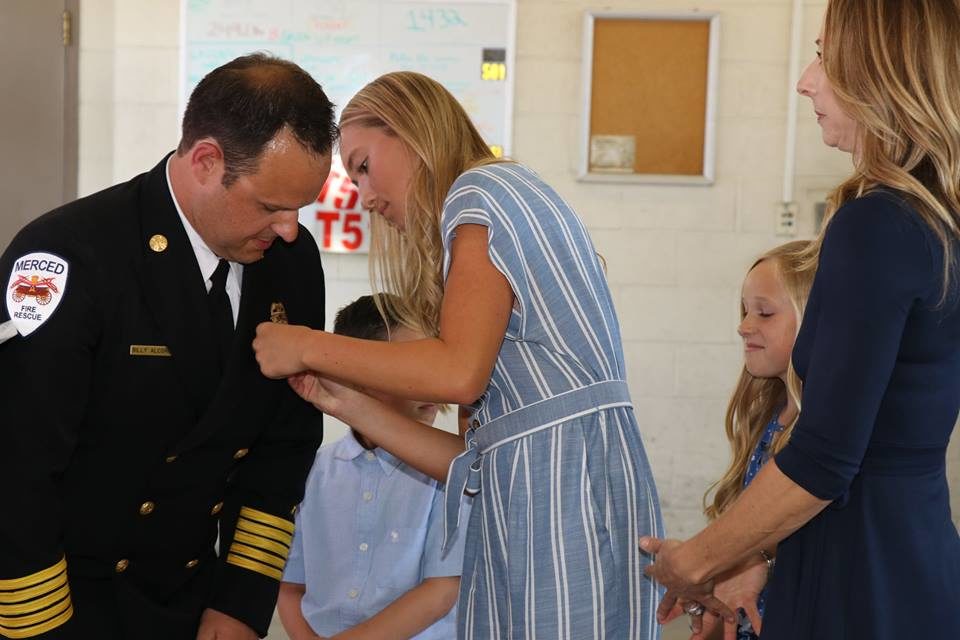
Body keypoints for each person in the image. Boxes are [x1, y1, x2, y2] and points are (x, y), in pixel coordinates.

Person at [253, 71, 664, 638]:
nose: (366, 198)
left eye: (365, 166)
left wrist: (307, 344)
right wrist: (346, 402)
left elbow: (457, 374)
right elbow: (468, 461)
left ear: (410, 130)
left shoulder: (481, 192)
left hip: (564, 493)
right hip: (526, 495)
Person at [640, 1, 960, 639]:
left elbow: (824, 457)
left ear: (882, 74)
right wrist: (756, 555)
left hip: (860, 569)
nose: (805, 81)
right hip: (908, 549)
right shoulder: (934, 219)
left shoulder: (878, 224)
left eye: (824, 57)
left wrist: (696, 560)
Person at [0, 53, 335, 640]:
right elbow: (18, 468)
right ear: (206, 161)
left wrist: (238, 602)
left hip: (189, 601)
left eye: (300, 208)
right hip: (64, 602)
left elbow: (283, 447)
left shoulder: (292, 264)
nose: (288, 228)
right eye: (271, 205)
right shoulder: (70, 255)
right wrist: (43, 629)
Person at [277, 295, 466, 640]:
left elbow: (441, 591)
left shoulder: (451, 473)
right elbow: (290, 586)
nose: (432, 385)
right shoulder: (313, 470)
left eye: (434, 367)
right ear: (354, 373)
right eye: (410, 369)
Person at [678, 241, 815, 640]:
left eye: (765, 312)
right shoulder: (769, 419)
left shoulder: (817, 438)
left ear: (815, 322)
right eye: (744, 310)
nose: (743, 325)